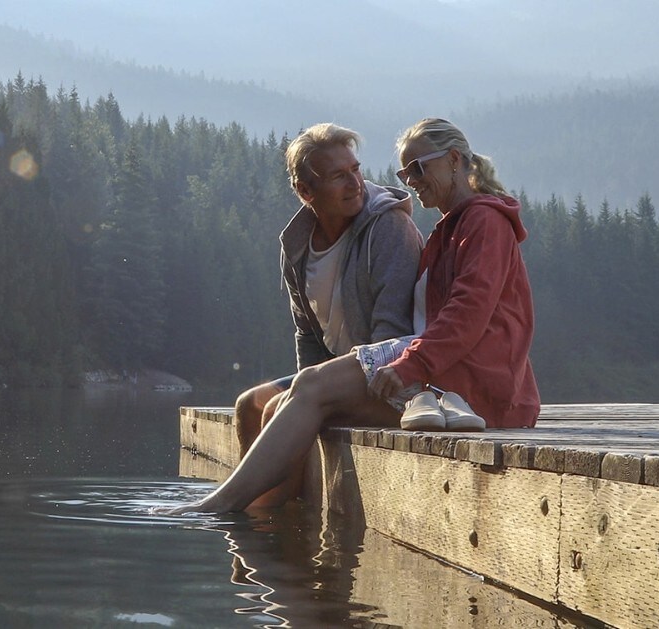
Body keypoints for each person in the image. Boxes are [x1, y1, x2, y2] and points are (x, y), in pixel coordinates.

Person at [161, 118, 539, 514]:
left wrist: (413, 366)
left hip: (478, 391)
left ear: (455, 160)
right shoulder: (452, 228)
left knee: (307, 391)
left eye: (418, 168)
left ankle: (222, 507)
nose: (410, 180)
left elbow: (468, 314)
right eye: (403, 172)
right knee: (283, 399)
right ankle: (261, 526)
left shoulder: (484, 222)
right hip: (447, 377)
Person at [232, 123, 423, 501]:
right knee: (248, 405)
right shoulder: (297, 243)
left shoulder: (389, 228)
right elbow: (307, 332)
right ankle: (260, 531)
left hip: (393, 380)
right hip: (339, 375)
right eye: (338, 176)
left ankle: (272, 528)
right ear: (306, 191)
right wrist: (312, 387)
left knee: (276, 409)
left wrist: (322, 396)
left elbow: (392, 336)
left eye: (355, 170)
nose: (355, 184)